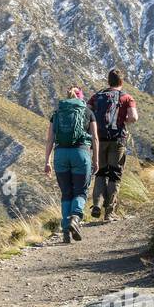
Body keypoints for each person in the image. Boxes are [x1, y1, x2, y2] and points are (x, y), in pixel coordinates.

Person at [43, 85, 99, 243]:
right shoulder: (88, 112)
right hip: (80, 153)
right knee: (80, 192)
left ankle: (66, 229)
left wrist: (47, 161)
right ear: (81, 98)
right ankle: (75, 217)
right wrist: (95, 160)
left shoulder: (57, 113)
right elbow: (95, 138)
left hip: (60, 154)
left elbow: (50, 139)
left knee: (66, 193)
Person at [88, 69, 138, 220]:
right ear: (121, 82)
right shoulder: (127, 98)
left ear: (108, 81)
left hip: (99, 139)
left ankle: (97, 204)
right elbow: (134, 117)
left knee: (100, 172)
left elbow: (87, 114)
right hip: (118, 139)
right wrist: (123, 121)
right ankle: (110, 212)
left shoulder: (96, 96)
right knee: (115, 175)